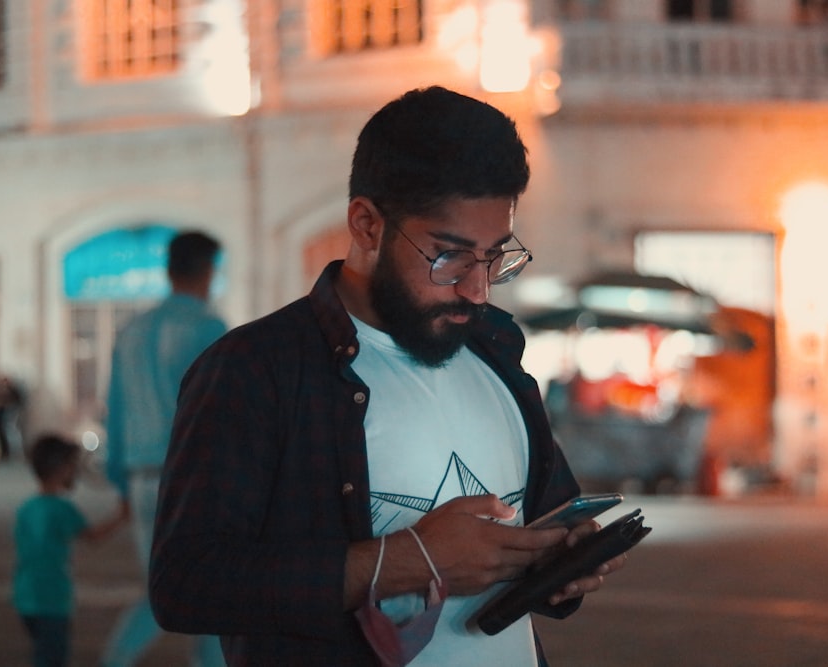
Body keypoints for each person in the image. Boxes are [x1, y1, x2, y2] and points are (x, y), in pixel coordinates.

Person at [149, 86, 627, 666]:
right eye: (448, 255)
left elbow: (547, 517)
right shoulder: (255, 370)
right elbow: (186, 584)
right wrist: (405, 560)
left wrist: (561, 561)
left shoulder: (497, 347)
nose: (477, 289)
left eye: (495, 256)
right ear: (366, 224)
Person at [101, 231, 228, 667]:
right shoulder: (209, 328)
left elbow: (114, 413)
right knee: (206, 588)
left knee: (168, 586)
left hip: (142, 481)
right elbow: (223, 414)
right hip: (195, 481)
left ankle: (115, 659)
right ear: (209, 271)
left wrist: (119, 484)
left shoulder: (131, 332)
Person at [12, 433, 130, 667]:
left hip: (25, 596)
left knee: (42, 653)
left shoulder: (27, 508)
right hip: (52, 599)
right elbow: (93, 537)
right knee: (52, 657)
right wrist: (123, 516)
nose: (75, 472)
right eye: (72, 466)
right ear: (61, 469)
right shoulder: (61, 509)